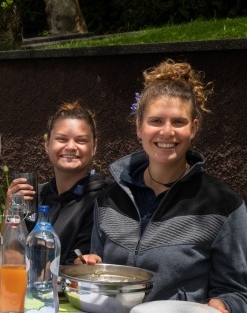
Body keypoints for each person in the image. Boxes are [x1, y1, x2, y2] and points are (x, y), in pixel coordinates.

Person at [79, 59, 247, 313]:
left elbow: (238, 293)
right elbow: (100, 272)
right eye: (156, 121)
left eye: (178, 122)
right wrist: (89, 269)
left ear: (194, 129)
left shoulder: (224, 206)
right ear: (139, 128)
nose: (166, 132)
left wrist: (222, 306)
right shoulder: (109, 199)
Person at [4, 100, 112, 264]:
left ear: (94, 146)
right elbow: (9, 256)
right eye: (61, 139)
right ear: (47, 145)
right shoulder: (35, 195)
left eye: (81, 140)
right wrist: (10, 207)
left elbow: (88, 262)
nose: (70, 147)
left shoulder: (106, 197)